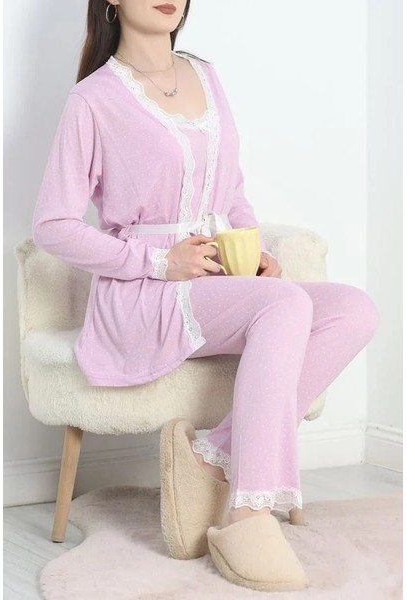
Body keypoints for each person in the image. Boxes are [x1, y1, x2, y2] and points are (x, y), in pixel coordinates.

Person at [32, 0, 380, 592]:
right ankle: (248, 514)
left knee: (352, 309)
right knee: (285, 305)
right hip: (143, 295)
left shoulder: (206, 75)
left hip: (217, 280)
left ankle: (212, 455)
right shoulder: (92, 100)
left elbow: (232, 190)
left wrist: (252, 250)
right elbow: (53, 225)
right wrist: (158, 262)